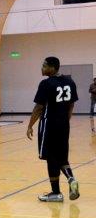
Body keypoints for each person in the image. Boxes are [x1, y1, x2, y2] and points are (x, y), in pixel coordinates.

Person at [27, 56, 80, 202]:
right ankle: (71, 179)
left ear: (53, 67)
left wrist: (30, 125)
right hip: (64, 125)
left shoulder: (46, 84)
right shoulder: (70, 82)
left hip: (48, 125)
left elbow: (39, 107)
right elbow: (71, 105)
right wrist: (65, 121)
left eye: (44, 65)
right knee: (62, 157)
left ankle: (56, 193)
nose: (42, 68)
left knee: (51, 158)